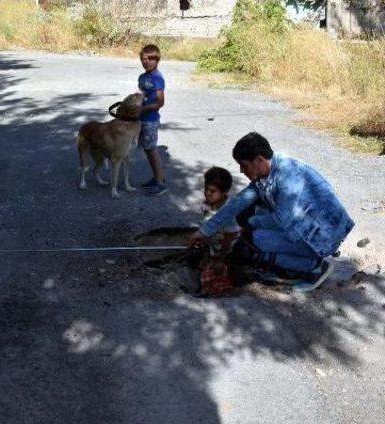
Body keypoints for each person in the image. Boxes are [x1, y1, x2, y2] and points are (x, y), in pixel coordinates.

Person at [189, 132, 354, 291]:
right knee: (251, 223)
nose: (241, 170)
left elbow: (281, 219)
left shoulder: (287, 175)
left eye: (244, 165)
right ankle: (299, 262)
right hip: (305, 227)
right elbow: (238, 202)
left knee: (254, 240)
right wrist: (205, 231)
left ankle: (315, 267)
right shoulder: (268, 173)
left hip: (323, 237)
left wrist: (251, 223)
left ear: (259, 160)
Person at [194, 167, 241, 296]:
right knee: (204, 267)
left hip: (226, 250)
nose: (207, 193)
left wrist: (221, 260)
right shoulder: (208, 205)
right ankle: (206, 290)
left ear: (224, 192)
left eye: (212, 191)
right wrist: (205, 254)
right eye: (206, 189)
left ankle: (215, 293)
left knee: (217, 271)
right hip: (213, 246)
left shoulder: (228, 211)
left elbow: (229, 237)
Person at [137, 44, 168, 197]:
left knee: (152, 150)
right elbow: (141, 97)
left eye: (151, 59)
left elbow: (160, 103)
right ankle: (156, 178)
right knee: (147, 150)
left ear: (157, 60)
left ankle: (161, 183)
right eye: (144, 58)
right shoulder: (142, 78)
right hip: (140, 119)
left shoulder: (157, 78)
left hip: (150, 119)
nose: (147, 61)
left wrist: (144, 109)